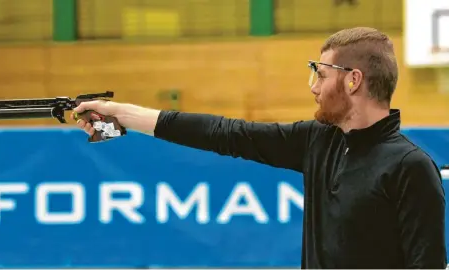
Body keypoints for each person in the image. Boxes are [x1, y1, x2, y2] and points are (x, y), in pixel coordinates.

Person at [72, 27, 447, 269]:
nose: (313, 86)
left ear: (353, 80)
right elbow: (225, 133)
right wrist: (121, 114)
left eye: (320, 73)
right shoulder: (317, 140)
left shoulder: (410, 166)